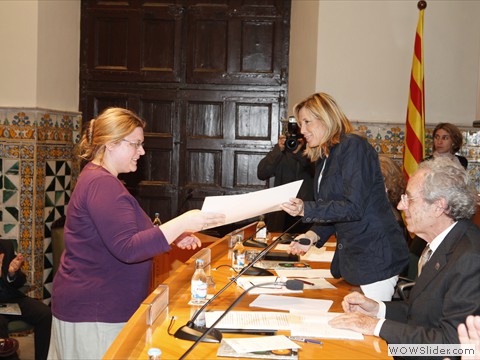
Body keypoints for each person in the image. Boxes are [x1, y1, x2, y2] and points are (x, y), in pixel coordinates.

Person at [48, 108, 225, 359]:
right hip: (95, 311)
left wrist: (173, 234)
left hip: (98, 306)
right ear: (111, 144)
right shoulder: (102, 184)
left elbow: (126, 233)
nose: (141, 152)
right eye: (136, 145)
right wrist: (183, 221)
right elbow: (128, 248)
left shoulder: (102, 178)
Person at [329, 157, 480, 349]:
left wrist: (377, 327)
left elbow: (452, 346)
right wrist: (377, 309)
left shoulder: (471, 259)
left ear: (438, 206)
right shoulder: (444, 242)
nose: (401, 206)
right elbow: (421, 311)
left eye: (409, 199)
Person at [280, 92, 409, 301]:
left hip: (374, 258)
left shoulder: (353, 146)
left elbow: (353, 207)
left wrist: (306, 208)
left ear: (326, 118)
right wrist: (311, 236)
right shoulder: (324, 157)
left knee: (366, 325)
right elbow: (335, 210)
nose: (302, 131)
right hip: (355, 260)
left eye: (307, 122)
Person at [0, 240, 51, 360]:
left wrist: (12, 274)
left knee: (46, 314)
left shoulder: (5, 246)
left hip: (11, 298)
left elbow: (20, 282)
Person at [257, 134, 314, 233]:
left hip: (307, 211)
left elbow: (315, 170)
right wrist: (278, 150)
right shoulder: (281, 153)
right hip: (282, 213)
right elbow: (262, 173)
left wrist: (299, 153)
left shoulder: (314, 150)